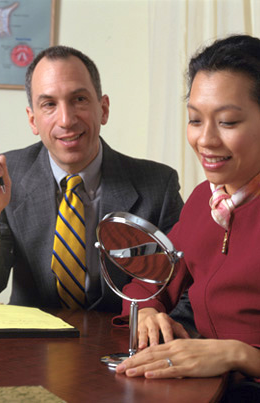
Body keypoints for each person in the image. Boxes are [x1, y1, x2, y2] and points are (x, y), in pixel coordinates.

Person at [0, 45, 184, 313]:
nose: (66, 120)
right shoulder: (6, 177)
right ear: (32, 120)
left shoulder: (159, 184)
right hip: (30, 345)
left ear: (104, 108)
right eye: (49, 104)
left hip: (121, 340)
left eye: (79, 100)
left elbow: (178, 282)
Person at [116, 34, 260, 384]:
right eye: (195, 119)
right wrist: (148, 312)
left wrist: (238, 354)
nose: (206, 140)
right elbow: (151, 281)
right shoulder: (204, 200)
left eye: (227, 122)